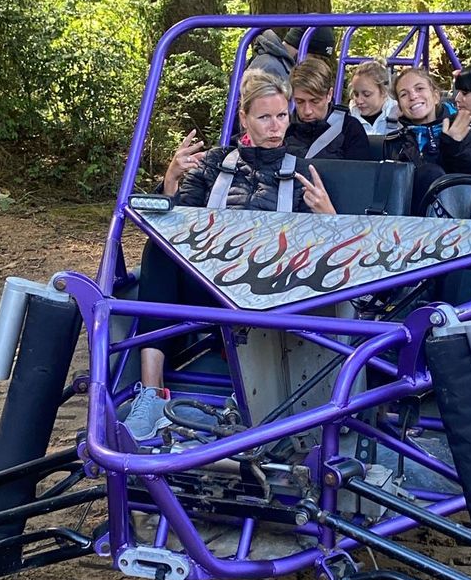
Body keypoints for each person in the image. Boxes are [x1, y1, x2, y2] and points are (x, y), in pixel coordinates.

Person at [125, 71, 336, 441]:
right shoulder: (214, 164)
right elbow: (171, 225)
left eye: (281, 116)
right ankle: (152, 394)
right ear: (244, 118)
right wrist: (171, 181)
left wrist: (329, 215)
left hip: (271, 289)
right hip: (210, 282)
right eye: (264, 117)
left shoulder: (302, 171)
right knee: (158, 250)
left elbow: (328, 249)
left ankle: (254, 398)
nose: (276, 126)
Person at [381, 65, 471, 207]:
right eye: (404, 94)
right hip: (411, 216)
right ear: (400, 107)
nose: (413, 96)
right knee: (428, 173)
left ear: (435, 96)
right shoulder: (395, 142)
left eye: (419, 89)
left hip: (460, 212)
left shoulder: (465, 131)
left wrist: (453, 146)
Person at [284, 57, 371, 161]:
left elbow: (361, 170)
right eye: (299, 102)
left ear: (329, 94)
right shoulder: (284, 128)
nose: (307, 111)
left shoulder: (350, 129)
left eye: (315, 101)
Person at [347, 59, 398, 133]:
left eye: (366, 94)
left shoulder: (401, 116)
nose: (359, 101)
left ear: (383, 91)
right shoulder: (346, 120)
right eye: (356, 94)